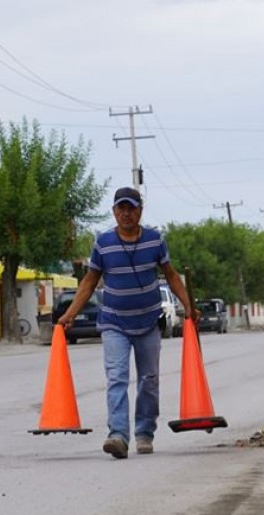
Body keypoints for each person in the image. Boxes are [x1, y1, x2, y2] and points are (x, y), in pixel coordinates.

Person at [58, 187, 199, 459]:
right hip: (114, 323)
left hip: (148, 322)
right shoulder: (103, 243)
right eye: (120, 208)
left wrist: (188, 306)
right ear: (114, 212)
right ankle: (118, 436)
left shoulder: (155, 241)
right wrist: (71, 312)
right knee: (116, 378)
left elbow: (171, 276)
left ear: (140, 211)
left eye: (131, 208)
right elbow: (89, 281)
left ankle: (145, 433)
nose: (126, 213)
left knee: (149, 380)